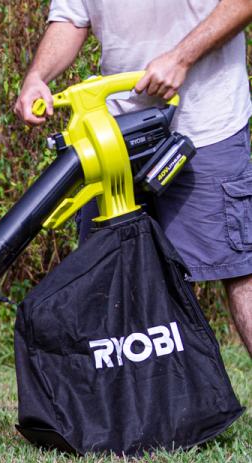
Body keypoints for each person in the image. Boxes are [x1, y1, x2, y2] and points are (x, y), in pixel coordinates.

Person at [14, 0, 252, 356]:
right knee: (106, 277)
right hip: (116, 136)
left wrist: (181, 57)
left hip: (205, 126)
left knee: (239, 272)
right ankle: (129, 407)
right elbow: (71, 18)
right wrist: (37, 77)